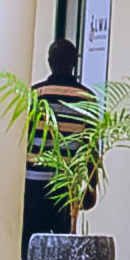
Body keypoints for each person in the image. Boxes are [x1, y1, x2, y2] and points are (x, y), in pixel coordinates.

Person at [24, 40, 89, 240]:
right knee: (61, 242)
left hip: (34, 182)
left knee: (31, 239)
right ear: (74, 63)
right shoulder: (87, 99)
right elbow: (90, 147)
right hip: (66, 185)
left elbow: (24, 139)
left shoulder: (36, 94)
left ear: (49, 62)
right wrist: (90, 187)